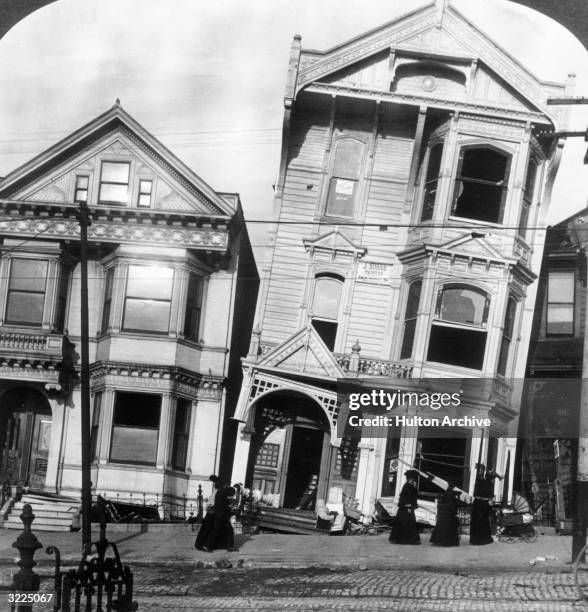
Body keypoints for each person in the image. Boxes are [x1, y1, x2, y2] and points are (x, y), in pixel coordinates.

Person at [389, 469, 420, 545]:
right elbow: (407, 499)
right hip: (406, 509)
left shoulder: (407, 486)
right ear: (412, 479)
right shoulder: (408, 486)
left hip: (404, 509)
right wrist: (409, 507)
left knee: (403, 523)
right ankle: (408, 540)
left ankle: (400, 539)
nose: (415, 480)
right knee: (408, 524)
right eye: (414, 479)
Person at [203, 486, 237, 552]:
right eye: (231, 495)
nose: (231, 497)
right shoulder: (223, 496)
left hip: (218, 515)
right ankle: (231, 547)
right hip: (223, 516)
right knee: (229, 530)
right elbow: (224, 507)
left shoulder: (220, 493)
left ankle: (206, 546)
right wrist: (230, 507)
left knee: (216, 531)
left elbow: (220, 505)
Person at [195, 475, 222, 550]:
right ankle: (203, 544)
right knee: (209, 528)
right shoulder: (217, 492)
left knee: (206, 528)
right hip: (212, 510)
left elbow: (211, 501)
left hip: (211, 510)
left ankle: (201, 544)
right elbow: (213, 502)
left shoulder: (216, 491)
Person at [470, 469, 495, 545]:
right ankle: (483, 539)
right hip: (484, 505)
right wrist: (490, 507)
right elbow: (490, 498)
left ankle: (474, 539)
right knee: (483, 522)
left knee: (475, 521)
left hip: (476, 503)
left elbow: (475, 493)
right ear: (491, 478)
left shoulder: (480, 481)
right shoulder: (489, 485)